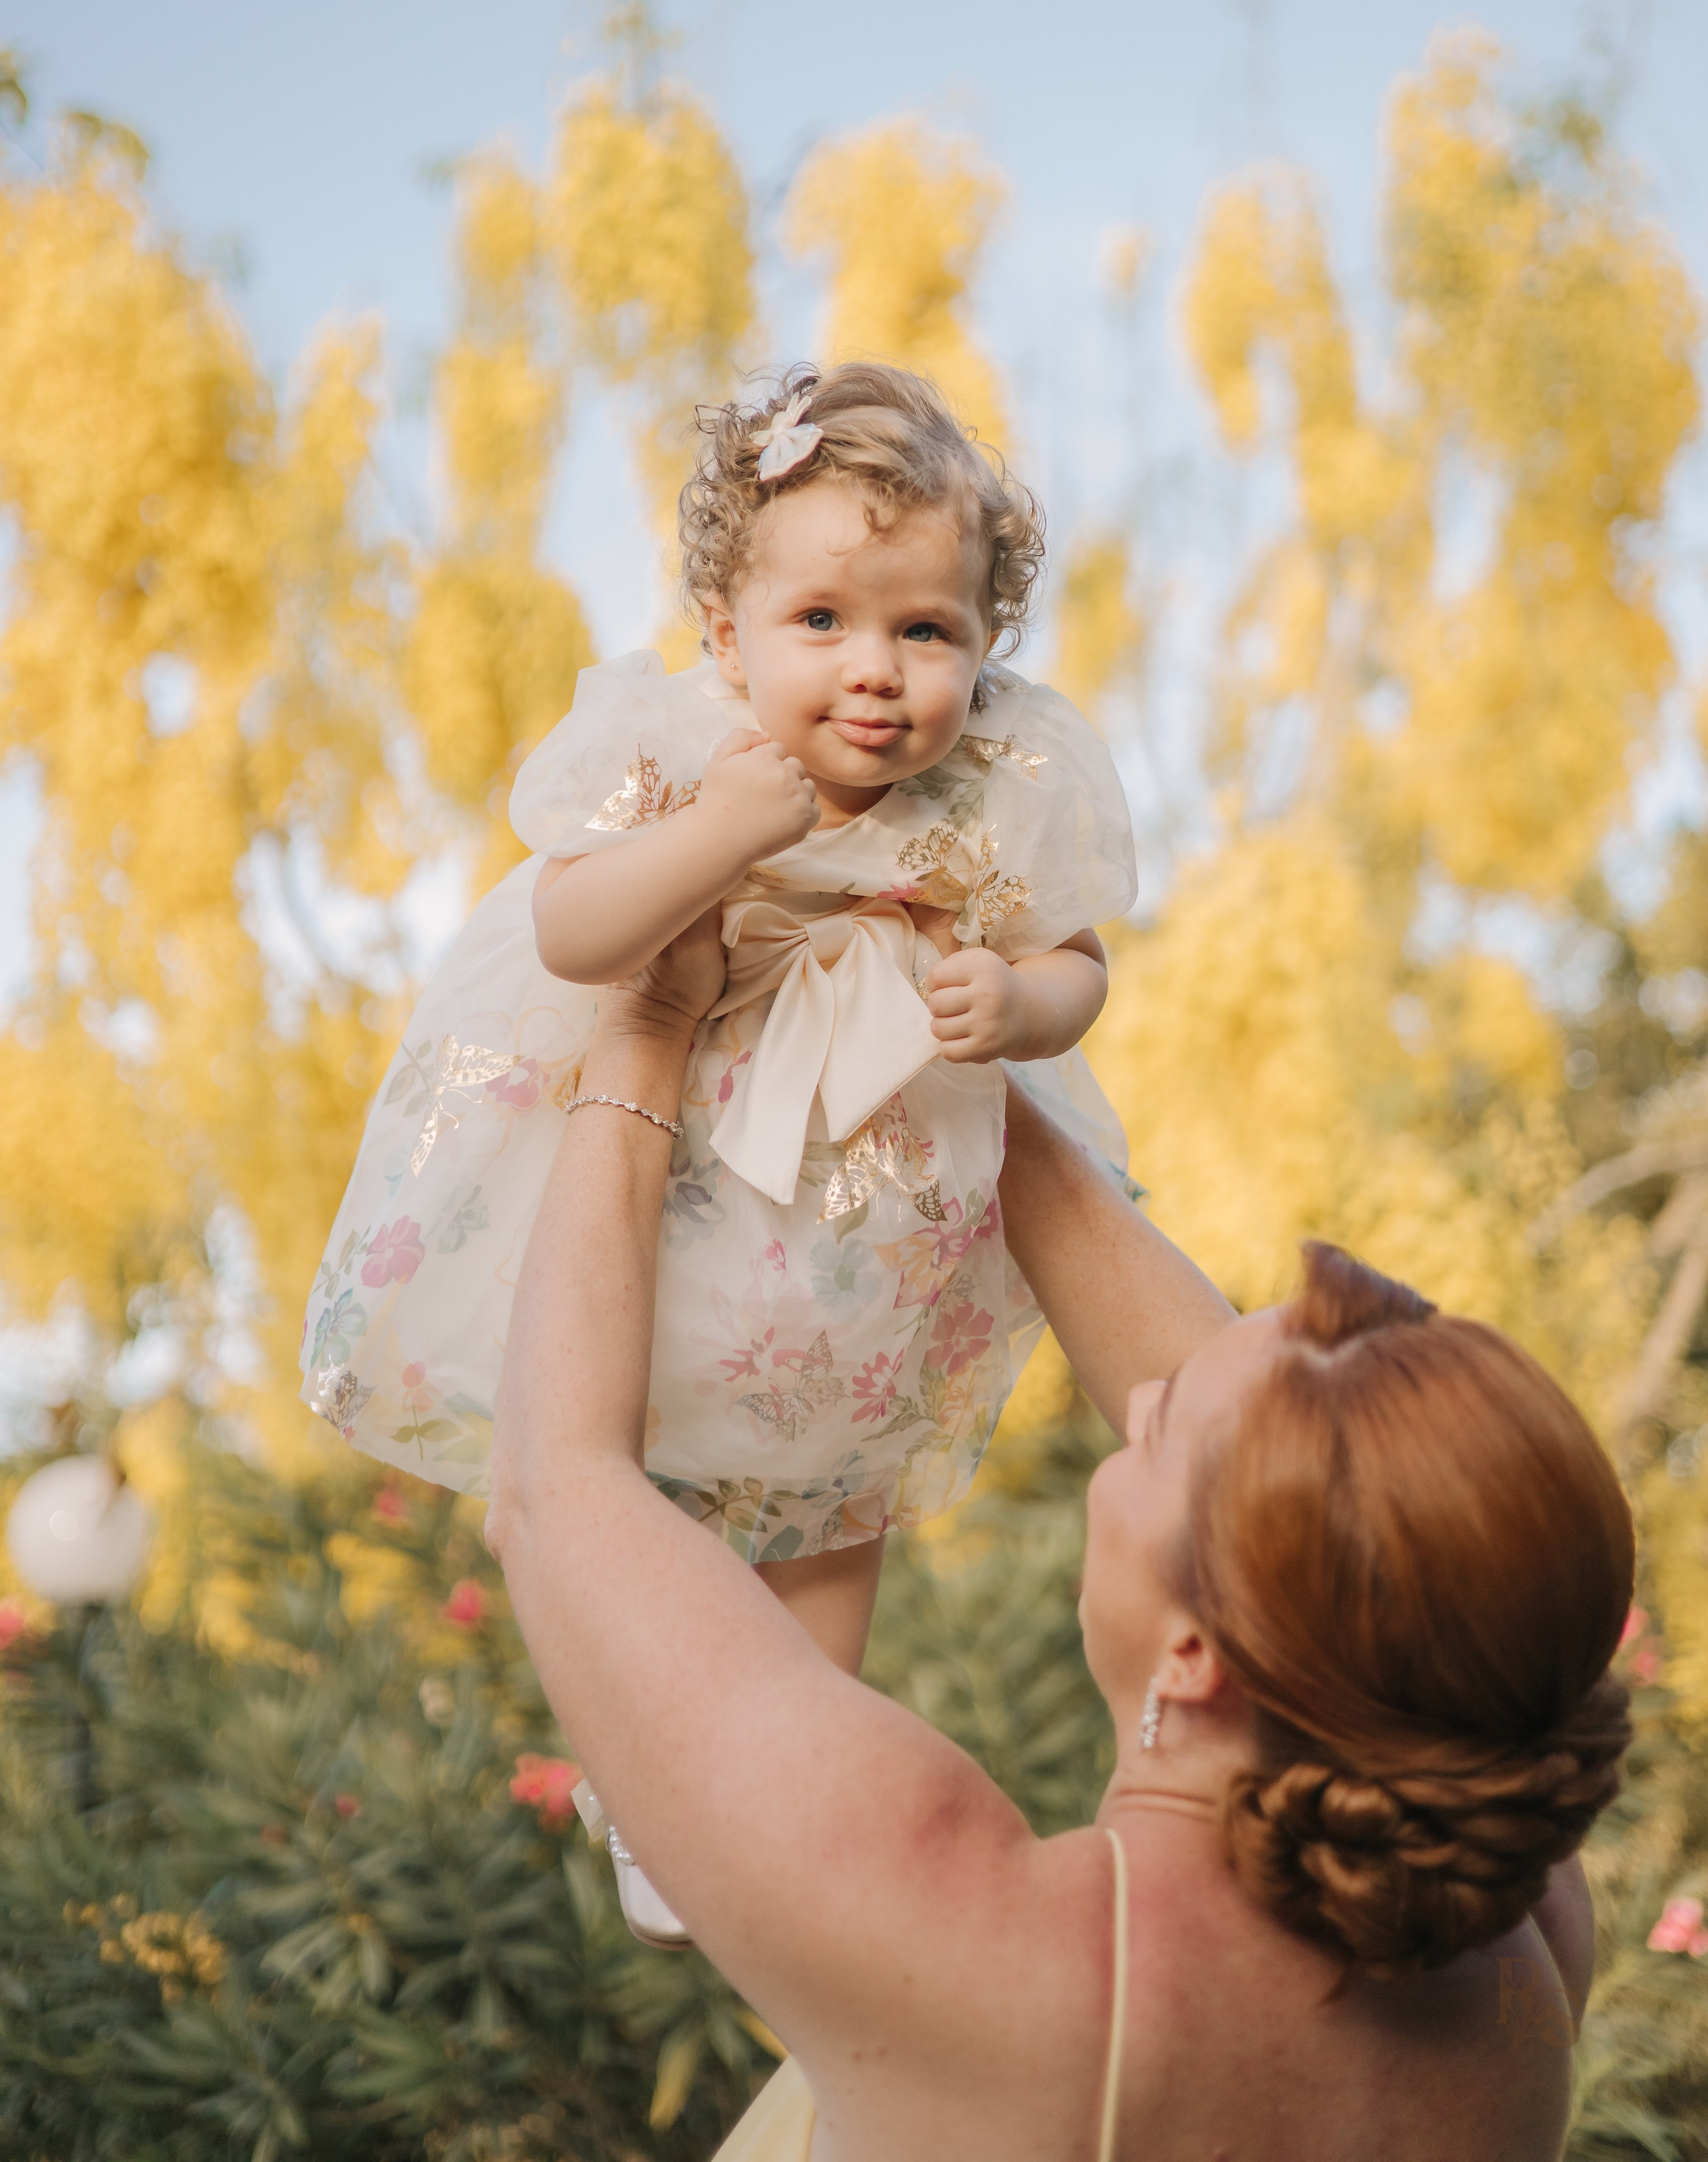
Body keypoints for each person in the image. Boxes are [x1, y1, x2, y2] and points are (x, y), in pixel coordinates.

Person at [484, 915, 1635, 2162]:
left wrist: (646, 1034)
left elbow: (560, 1483)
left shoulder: (976, 1940)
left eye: (1162, 1432)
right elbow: (1327, 1507)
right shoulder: (1523, 1946)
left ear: (1196, 1657)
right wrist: (929, 1048)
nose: (1136, 1399)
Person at [300, 362, 1139, 1928]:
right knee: (629, 1481)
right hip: (673, 1200)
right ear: (721, 626)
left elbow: (1081, 958)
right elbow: (569, 924)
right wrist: (723, 835)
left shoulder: (998, 777)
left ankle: (783, 1818)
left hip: (859, 1226)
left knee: (838, 1496)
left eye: (926, 631)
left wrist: (1017, 1002)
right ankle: (656, 1780)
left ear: (983, 642)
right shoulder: (678, 747)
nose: (876, 670)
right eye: (819, 620)